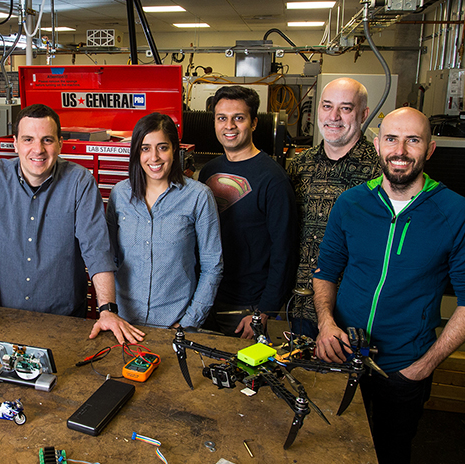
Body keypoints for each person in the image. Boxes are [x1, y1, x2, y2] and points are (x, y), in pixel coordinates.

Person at [313, 107, 465, 464]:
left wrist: (426, 364)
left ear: (430, 148)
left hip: (403, 365)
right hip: (343, 355)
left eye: (412, 141)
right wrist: (326, 323)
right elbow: (325, 271)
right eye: (392, 139)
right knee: (329, 449)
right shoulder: (352, 202)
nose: (400, 150)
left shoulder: (459, 213)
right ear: (377, 145)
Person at [0, 103, 145, 344]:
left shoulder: (79, 181)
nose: (38, 149)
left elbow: (96, 250)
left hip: (65, 320)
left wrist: (107, 310)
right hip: (5, 317)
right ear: (15, 143)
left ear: (60, 144)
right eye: (28, 139)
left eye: (47, 140)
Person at [106, 112, 223, 329]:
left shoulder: (198, 196)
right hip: (124, 324)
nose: (154, 157)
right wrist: (111, 312)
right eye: (145, 148)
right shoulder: (119, 194)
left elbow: (212, 266)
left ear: (174, 149)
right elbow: (108, 258)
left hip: (175, 325)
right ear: (136, 153)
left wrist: (188, 323)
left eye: (162, 147)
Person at [197, 86, 297, 339]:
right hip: (207, 295)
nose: (229, 125)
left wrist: (263, 311)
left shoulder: (273, 179)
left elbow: (284, 251)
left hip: (245, 306)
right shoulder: (209, 170)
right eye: (222, 118)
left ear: (253, 123)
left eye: (238, 118)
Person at [288, 78, 380, 336]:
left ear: (364, 114)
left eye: (346, 108)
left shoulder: (380, 173)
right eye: (327, 106)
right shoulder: (298, 166)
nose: (334, 116)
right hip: (301, 305)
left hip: (355, 310)